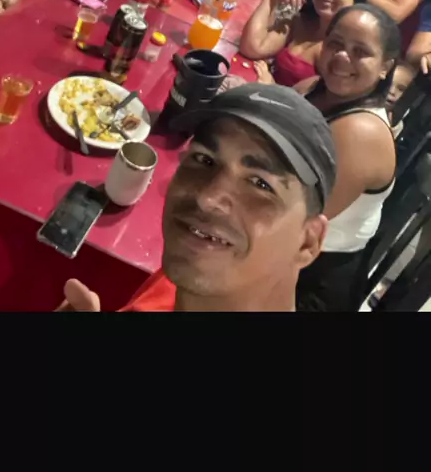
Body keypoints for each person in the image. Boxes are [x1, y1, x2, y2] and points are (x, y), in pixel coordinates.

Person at [57, 84, 337, 313]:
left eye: (260, 184)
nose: (208, 198)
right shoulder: (193, 264)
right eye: (204, 159)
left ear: (308, 241)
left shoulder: (208, 264)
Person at [294, 4, 400, 312]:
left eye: (360, 51)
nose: (342, 56)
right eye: (336, 43)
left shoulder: (361, 132)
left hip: (307, 283)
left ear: (385, 67)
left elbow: (296, 219)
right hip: (283, 248)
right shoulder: (317, 89)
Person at [240, 0, 369, 87]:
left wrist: (272, 87)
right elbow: (252, 48)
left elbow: (319, 99)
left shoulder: (342, 50)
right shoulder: (300, 21)